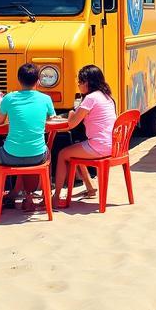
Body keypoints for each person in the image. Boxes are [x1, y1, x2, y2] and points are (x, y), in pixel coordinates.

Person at [0, 63, 56, 211]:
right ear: (38, 81)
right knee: (46, 153)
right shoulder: (46, 99)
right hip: (37, 156)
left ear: (19, 79)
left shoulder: (9, 98)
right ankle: (39, 197)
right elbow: (52, 119)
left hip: (11, 155)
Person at [52, 64, 117, 206]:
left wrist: (70, 113)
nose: (79, 85)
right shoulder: (106, 96)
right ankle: (89, 186)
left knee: (63, 154)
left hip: (99, 147)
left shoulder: (90, 98)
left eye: (80, 82)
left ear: (87, 83)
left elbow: (72, 124)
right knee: (76, 149)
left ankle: (56, 196)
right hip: (112, 145)